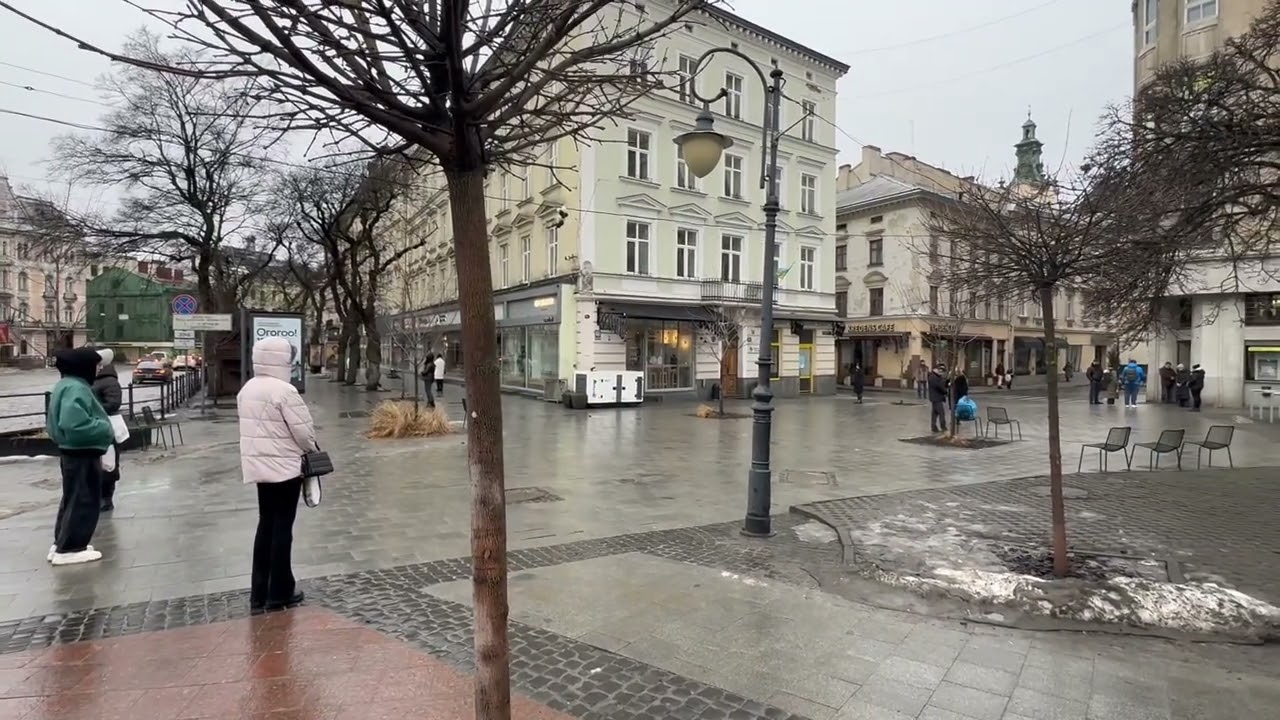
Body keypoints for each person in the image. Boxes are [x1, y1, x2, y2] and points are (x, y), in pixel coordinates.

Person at [238, 336, 319, 613]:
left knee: (265, 526)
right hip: (285, 468)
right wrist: (311, 447)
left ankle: (258, 593)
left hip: (259, 468)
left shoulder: (247, 389)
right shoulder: (284, 391)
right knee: (283, 528)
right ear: (281, 360)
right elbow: (304, 433)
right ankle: (280, 593)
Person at [47, 347, 114, 566]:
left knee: (72, 498)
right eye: (96, 365)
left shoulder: (66, 385)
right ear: (84, 367)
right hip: (82, 451)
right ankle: (71, 547)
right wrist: (104, 428)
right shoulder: (77, 388)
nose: (98, 369)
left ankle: (62, 543)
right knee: (84, 500)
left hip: (72, 451)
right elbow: (73, 424)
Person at [91, 349, 124, 512]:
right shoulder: (92, 380)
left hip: (106, 427)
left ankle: (106, 498)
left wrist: (92, 409)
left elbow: (114, 403)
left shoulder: (109, 381)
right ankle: (99, 496)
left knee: (108, 464)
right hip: (96, 427)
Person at [928, 363, 949, 433]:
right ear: (937, 370)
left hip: (934, 398)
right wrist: (946, 391)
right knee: (941, 413)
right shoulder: (934, 377)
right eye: (941, 371)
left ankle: (933, 427)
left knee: (934, 413)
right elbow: (940, 387)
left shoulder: (934, 376)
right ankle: (943, 427)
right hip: (937, 398)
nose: (942, 373)